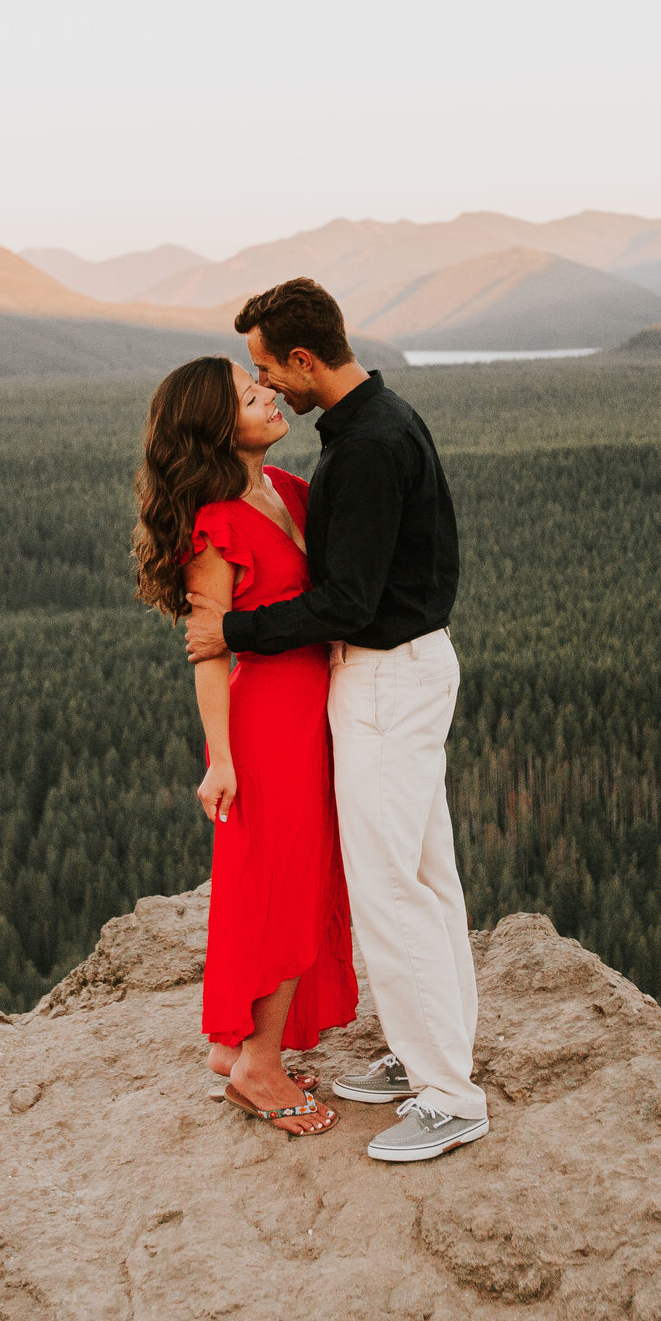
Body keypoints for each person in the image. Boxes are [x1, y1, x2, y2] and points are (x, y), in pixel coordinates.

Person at [183, 278, 486, 1164]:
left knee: (392, 887)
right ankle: (431, 1052)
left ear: (306, 360)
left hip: (387, 680)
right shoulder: (384, 419)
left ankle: (447, 1092)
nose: (268, 384)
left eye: (268, 368)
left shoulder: (357, 453)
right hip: (408, 669)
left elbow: (346, 601)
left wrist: (234, 629)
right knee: (426, 875)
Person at [133, 354, 357, 1136]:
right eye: (247, 392)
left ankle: (235, 1048)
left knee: (286, 878)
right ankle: (259, 1068)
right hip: (265, 723)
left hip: (308, 714)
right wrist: (220, 758)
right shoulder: (215, 525)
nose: (268, 394)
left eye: (259, 381)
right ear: (214, 426)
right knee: (282, 887)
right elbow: (207, 648)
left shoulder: (287, 491)